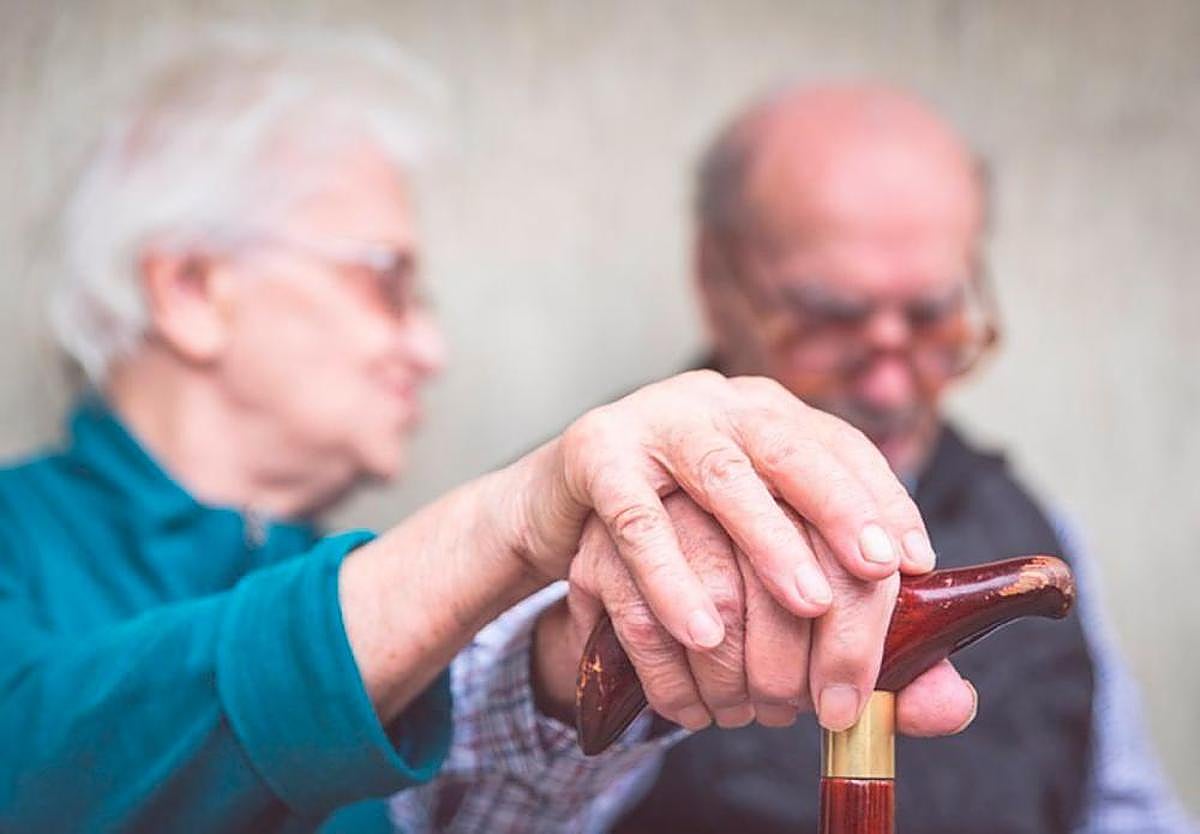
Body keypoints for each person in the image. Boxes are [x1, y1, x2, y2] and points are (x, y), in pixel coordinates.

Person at [0, 34, 977, 834]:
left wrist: (596, 651)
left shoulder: (356, 582)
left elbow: (462, 797)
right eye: (385, 282)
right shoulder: (18, 543)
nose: (429, 347)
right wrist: (506, 521)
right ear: (190, 291)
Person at [614, 85, 1196, 834]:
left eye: (930, 318)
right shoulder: (607, 527)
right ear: (716, 280)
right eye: (830, 319)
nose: (891, 385)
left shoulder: (1034, 529)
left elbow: (1125, 811)